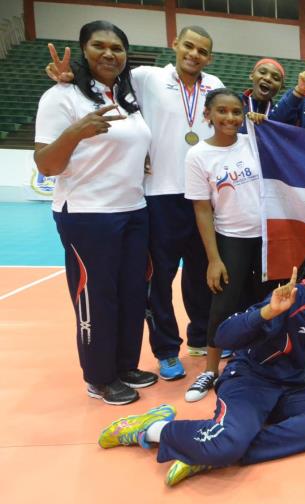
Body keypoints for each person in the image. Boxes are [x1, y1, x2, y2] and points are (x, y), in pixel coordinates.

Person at [46, 25, 226, 381]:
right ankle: (165, 350)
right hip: (160, 193)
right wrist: (69, 77)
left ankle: (201, 337)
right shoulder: (146, 77)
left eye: (202, 51)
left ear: (210, 57)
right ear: (174, 44)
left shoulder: (215, 84)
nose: (194, 54)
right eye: (188, 46)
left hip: (204, 195)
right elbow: (103, 76)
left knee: (203, 273)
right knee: (159, 278)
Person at [95, 248, 305, 486]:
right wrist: (266, 313)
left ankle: (210, 449)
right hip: (252, 381)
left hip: (291, 389)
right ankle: (151, 429)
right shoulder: (290, 299)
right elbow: (223, 336)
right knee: (225, 444)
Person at [35, 20, 155, 405]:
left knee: (132, 293)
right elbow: (47, 165)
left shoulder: (125, 94)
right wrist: (75, 132)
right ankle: (99, 377)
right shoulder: (61, 96)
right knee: (96, 296)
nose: (109, 54)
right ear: (84, 50)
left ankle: (123, 365)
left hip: (133, 209)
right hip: (87, 214)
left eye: (117, 48)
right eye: (99, 46)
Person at [182, 88, 268, 402]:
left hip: (265, 238)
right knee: (222, 305)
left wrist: (261, 122)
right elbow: (202, 209)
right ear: (209, 115)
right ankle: (209, 370)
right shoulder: (198, 155)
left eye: (236, 112)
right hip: (231, 237)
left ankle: (260, 363)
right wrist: (214, 259)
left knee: (264, 304)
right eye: (222, 111)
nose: (230, 118)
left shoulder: (254, 142)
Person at [240, 57, 285, 132]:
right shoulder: (235, 105)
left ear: (281, 87)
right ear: (252, 75)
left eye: (276, 78)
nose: (267, 78)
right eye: (262, 72)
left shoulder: (279, 115)